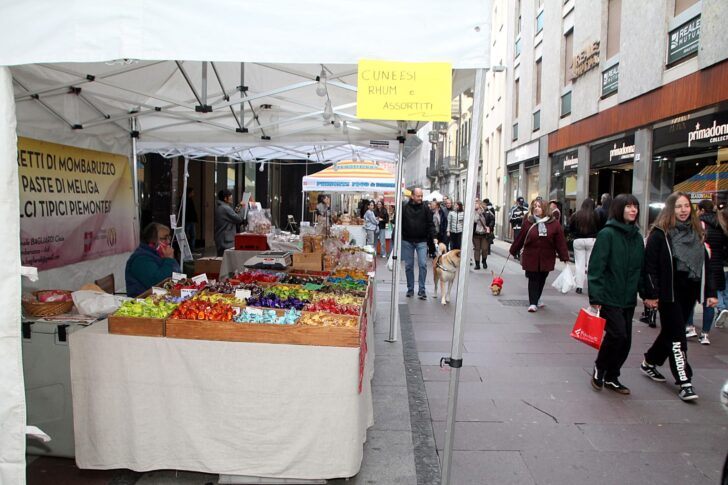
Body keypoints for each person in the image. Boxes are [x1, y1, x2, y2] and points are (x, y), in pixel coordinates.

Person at [641, 192, 718, 402]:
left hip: (690, 292)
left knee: (670, 331)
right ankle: (685, 381)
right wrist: (652, 294)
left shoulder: (698, 233)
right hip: (669, 294)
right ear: (670, 209)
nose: (683, 210)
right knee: (677, 337)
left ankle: (649, 361)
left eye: (686, 206)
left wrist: (710, 292)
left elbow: (707, 265)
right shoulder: (660, 234)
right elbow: (650, 267)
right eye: (678, 207)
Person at [587, 194, 645, 395]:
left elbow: (641, 269)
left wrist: (647, 294)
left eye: (635, 206)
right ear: (619, 209)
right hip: (609, 296)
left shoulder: (637, 237)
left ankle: (613, 376)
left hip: (628, 298)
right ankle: (599, 367)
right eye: (628, 206)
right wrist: (595, 297)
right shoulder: (607, 234)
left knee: (626, 340)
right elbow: (596, 267)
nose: (633, 210)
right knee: (617, 334)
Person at [509, 198, 569, 312]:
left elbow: (560, 242)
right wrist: (513, 250)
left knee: (542, 279)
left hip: (547, 257)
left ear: (545, 209)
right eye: (535, 206)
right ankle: (533, 303)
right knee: (533, 278)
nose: (536, 208)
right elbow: (521, 238)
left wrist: (564, 257)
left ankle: (537, 298)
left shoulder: (554, 224)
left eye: (539, 206)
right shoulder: (528, 222)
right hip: (531, 256)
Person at [691, 199, 728, 345]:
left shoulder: (698, 224)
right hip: (717, 266)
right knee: (710, 300)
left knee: (692, 298)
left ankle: (690, 327)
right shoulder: (722, 225)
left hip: (700, 266)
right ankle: (705, 333)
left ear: (700, 209)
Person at [125, 223, 180, 298]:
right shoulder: (141, 259)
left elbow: (177, 274)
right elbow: (159, 283)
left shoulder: (158, 254)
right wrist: (169, 259)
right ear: (152, 241)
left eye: (169, 237)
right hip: (143, 303)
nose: (168, 242)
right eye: (164, 238)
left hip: (162, 298)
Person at [401, 188, 436, 300]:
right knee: (408, 266)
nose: (420, 198)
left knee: (422, 264)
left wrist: (434, 237)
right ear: (412, 196)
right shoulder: (405, 207)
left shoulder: (426, 208)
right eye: (418, 196)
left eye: (421, 196)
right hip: (407, 240)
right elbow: (399, 222)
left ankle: (422, 290)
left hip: (422, 241)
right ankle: (410, 289)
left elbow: (431, 224)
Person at [569, 198, 599, 294]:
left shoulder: (576, 215)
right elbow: (600, 227)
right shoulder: (596, 215)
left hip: (578, 240)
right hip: (592, 240)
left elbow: (570, 228)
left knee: (579, 265)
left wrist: (574, 235)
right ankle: (591, 287)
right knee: (591, 265)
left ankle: (579, 287)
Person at [214, 189, 245, 256]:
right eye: (230, 196)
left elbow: (233, 214)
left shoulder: (222, 207)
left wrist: (239, 206)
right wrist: (242, 207)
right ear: (225, 198)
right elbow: (239, 219)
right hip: (225, 241)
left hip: (222, 238)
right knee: (225, 261)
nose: (232, 198)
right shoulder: (225, 208)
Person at [473, 200, 495, 270]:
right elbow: (474, 221)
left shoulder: (487, 211)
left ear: (480, 204)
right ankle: (477, 264)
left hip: (484, 234)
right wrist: (477, 214)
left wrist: (490, 227)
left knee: (485, 249)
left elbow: (492, 220)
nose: (475, 205)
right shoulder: (472, 212)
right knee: (477, 249)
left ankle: (484, 261)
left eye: (476, 203)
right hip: (475, 234)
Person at [184, 186, 198, 251]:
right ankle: (189, 249)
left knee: (192, 235)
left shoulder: (189, 200)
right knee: (190, 235)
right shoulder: (186, 200)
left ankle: (191, 248)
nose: (193, 193)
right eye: (192, 192)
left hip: (190, 220)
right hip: (189, 220)